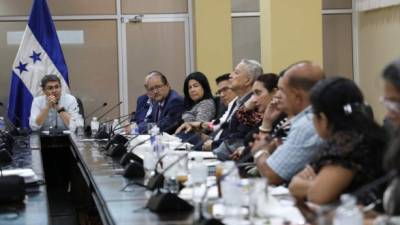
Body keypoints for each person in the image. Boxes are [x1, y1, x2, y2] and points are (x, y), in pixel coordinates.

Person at [288, 77, 387, 205]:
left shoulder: (347, 144)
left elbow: (317, 195)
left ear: (322, 118)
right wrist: (316, 184)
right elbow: (295, 186)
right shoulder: (369, 131)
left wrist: (316, 184)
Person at [251, 61, 324, 185]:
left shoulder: (306, 124)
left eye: (282, 90)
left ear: (297, 97)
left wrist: (259, 152)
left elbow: (271, 175)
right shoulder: (310, 118)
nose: (277, 95)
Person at [213, 73, 278, 161]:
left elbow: (240, 136)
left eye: (258, 93)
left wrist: (244, 151)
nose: (254, 99)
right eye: (253, 94)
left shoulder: (275, 118)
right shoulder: (258, 114)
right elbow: (233, 125)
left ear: (275, 93)